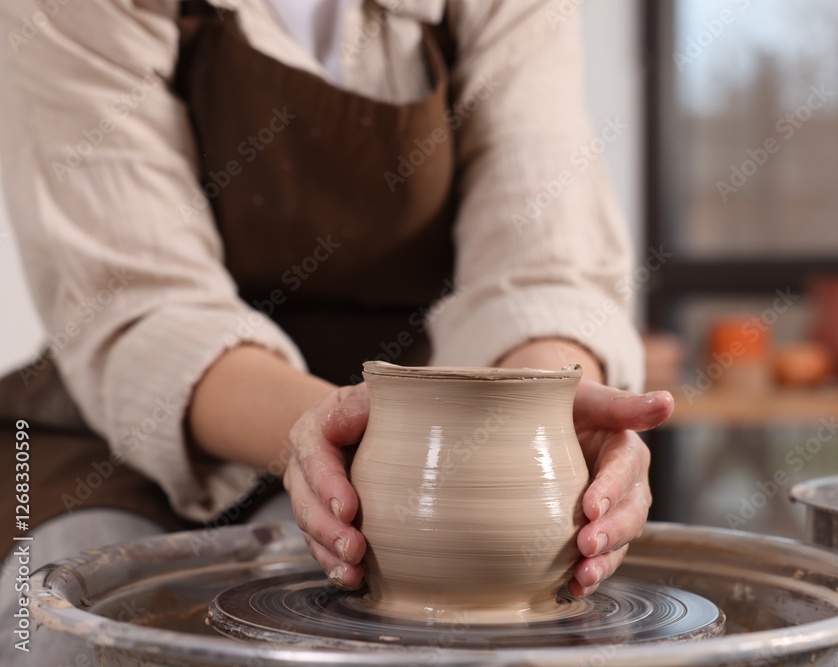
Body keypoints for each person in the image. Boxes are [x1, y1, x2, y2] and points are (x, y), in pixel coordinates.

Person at [0, 0, 673, 661]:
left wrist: (545, 404)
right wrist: (371, 444)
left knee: (373, 626)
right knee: (75, 620)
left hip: (405, 418)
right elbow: (139, 299)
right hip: (127, 420)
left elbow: (544, 263)